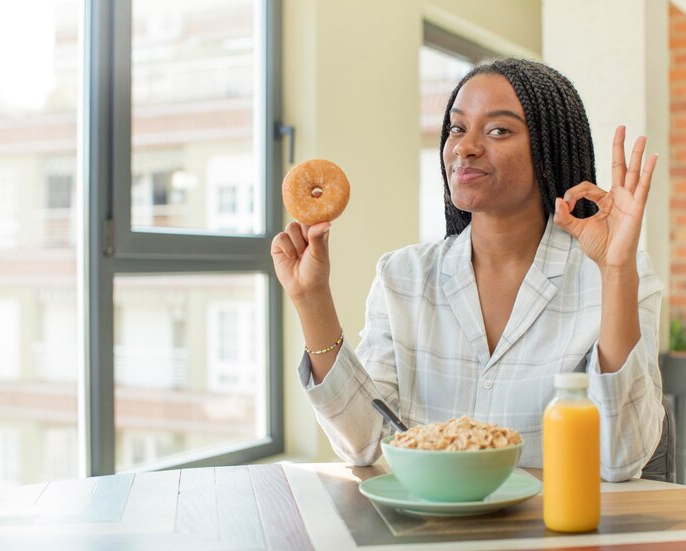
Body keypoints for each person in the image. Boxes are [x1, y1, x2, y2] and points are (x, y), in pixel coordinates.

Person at [271, 58, 664, 482]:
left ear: (549, 151)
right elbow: (363, 443)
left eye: (498, 130)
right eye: (457, 128)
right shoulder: (402, 276)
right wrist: (312, 300)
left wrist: (617, 269)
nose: (465, 146)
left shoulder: (612, 277)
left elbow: (621, 458)